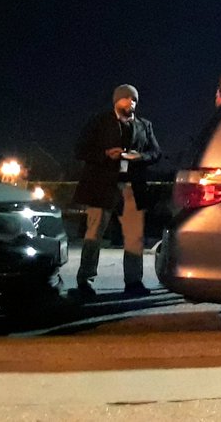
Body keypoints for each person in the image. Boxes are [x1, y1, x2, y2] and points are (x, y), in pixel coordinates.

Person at [72, 84, 162, 299]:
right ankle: (85, 280)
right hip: (102, 186)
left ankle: (133, 282)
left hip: (132, 187)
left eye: (134, 99)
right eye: (127, 98)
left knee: (134, 237)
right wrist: (105, 154)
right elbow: (80, 149)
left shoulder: (144, 125)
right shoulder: (99, 121)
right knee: (94, 234)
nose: (132, 102)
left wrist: (140, 157)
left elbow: (156, 152)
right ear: (116, 100)